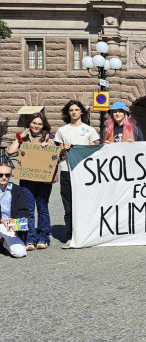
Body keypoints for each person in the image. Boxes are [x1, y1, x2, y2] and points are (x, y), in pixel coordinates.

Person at [6, 113, 55, 250]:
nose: (36, 126)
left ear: (43, 125)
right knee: (28, 210)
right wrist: (20, 137)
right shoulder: (24, 139)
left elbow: (55, 155)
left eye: (39, 124)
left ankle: (43, 237)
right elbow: (10, 152)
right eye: (34, 123)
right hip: (27, 179)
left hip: (43, 180)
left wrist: (48, 147)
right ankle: (30, 238)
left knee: (43, 209)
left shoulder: (49, 139)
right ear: (29, 124)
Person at [54, 100, 100, 249]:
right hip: (67, 171)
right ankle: (70, 236)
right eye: (71, 110)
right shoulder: (62, 131)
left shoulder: (89, 130)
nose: (74, 112)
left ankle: (87, 234)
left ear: (82, 112)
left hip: (85, 173)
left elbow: (96, 150)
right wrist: (63, 149)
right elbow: (55, 152)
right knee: (68, 206)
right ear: (68, 113)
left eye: (76, 109)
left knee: (86, 204)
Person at [0, 163, 30, 258]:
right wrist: (1, 220)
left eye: (7, 175)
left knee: (20, 253)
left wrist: (22, 221)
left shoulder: (17, 190)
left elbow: (23, 209)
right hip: (1, 221)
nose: (4, 177)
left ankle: (5, 243)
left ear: (11, 175)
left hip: (9, 224)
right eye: (0, 175)